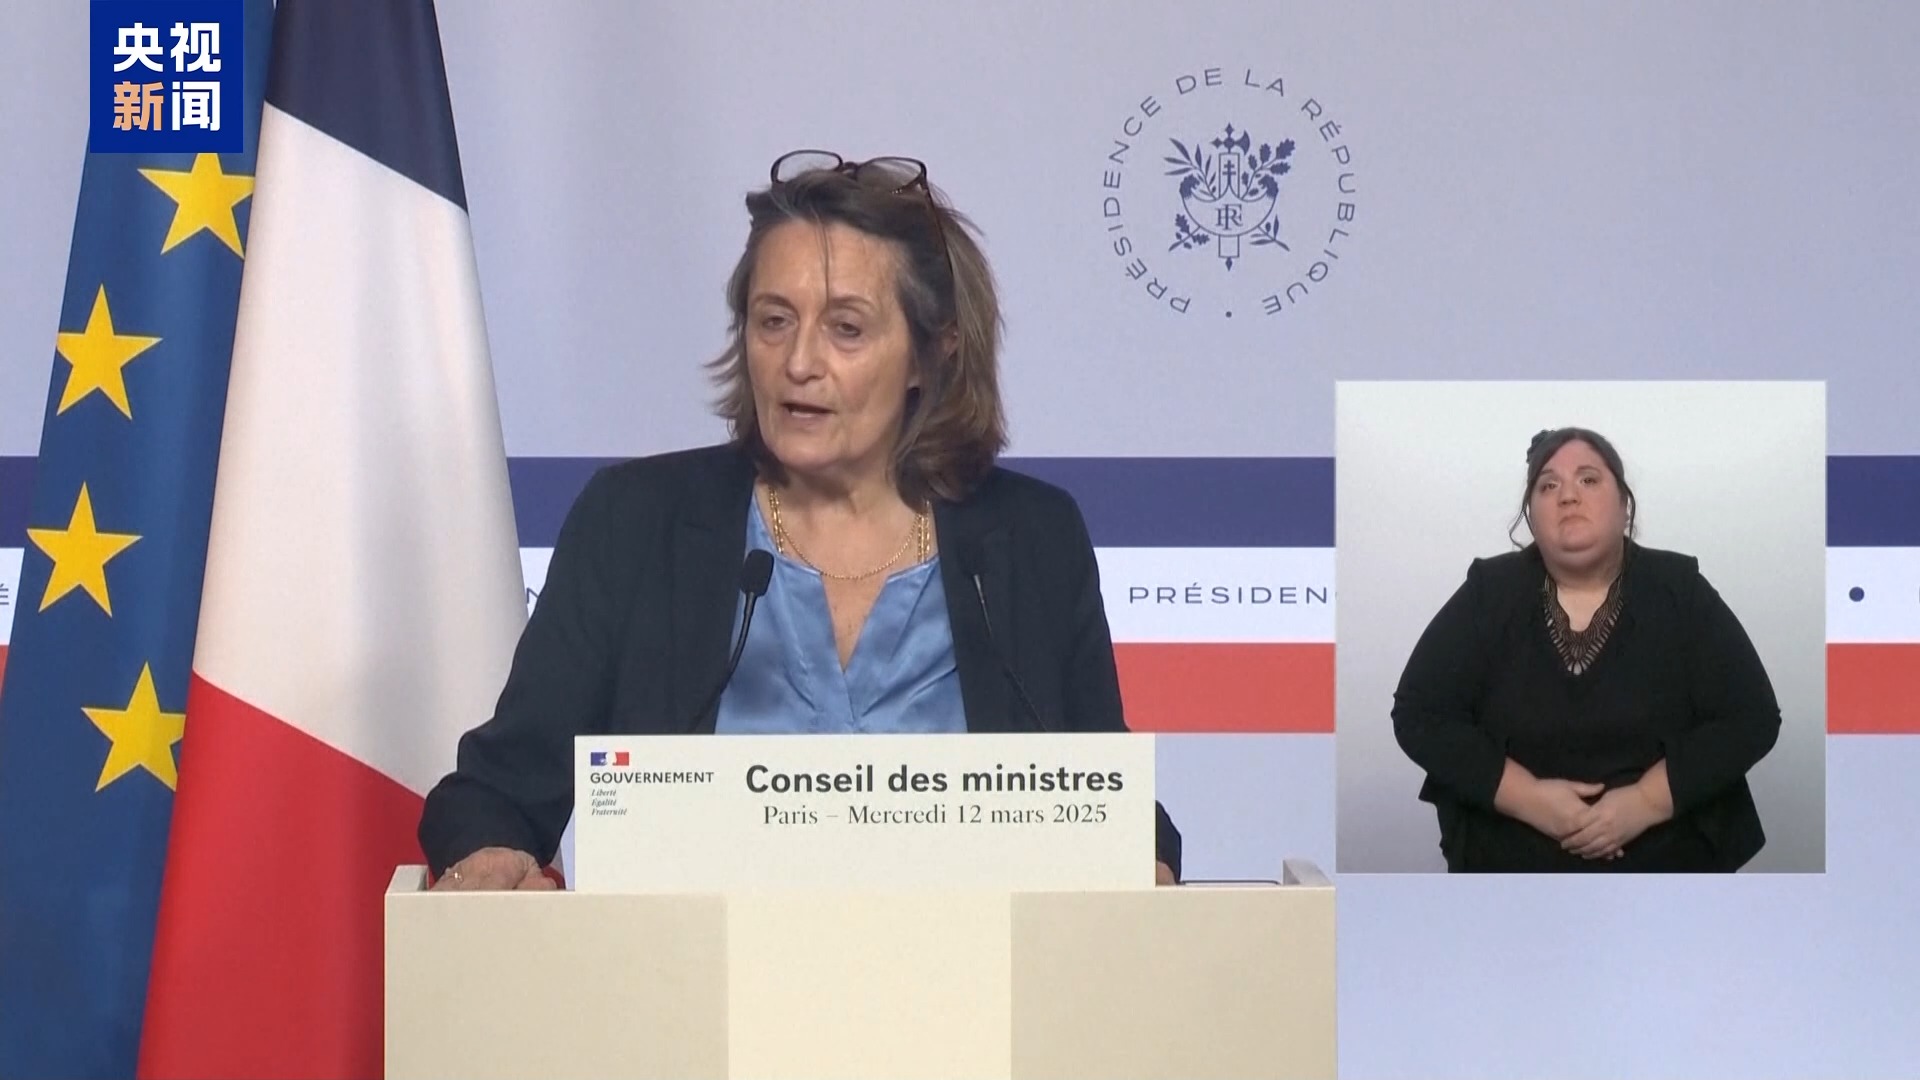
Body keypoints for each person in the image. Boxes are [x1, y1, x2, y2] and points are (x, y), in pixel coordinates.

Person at [419, 150, 1181, 889]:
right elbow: (496, 793)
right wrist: (490, 855)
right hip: (688, 974)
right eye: (774, 320)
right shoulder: (637, 525)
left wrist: (1141, 863)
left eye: (846, 328)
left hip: (972, 974)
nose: (798, 363)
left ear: (931, 354)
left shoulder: (1030, 541)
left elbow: (1112, 808)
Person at [1391, 427, 1781, 872]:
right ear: (1531, 516)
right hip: (1511, 873)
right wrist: (1529, 799)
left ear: (1624, 504)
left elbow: (1752, 717)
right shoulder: (1489, 593)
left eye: (1589, 479)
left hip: (1671, 869)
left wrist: (1646, 802)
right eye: (1548, 486)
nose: (1568, 496)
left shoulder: (1679, 589)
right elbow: (1420, 714)